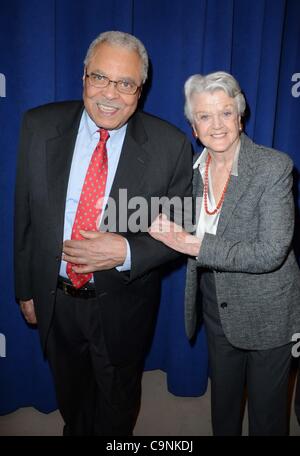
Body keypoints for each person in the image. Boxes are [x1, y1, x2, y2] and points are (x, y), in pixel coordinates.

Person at [14, 30, 193, 436]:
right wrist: (26, 289)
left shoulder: (170, 145)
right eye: (100, 78)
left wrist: (126, 251)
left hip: (123, 304)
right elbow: (23, 215)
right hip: (55, 299)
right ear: (83, 77)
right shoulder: (38, 126)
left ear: (140, 90)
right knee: (72, 397)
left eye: (125, 83)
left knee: (117, 404)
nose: (110, 94)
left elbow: (183, 228)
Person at [149, 71, 300, 436]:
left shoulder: (273, 167)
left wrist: (193, 244)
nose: (216, 125)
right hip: (216, 305)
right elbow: (159, 217)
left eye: (226, 113)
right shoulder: (191, 173)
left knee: (266, 418)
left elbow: (271, 251)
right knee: (224, 407)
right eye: (204, 116)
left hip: (269, 312)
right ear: (193, 127)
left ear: (240, 116)